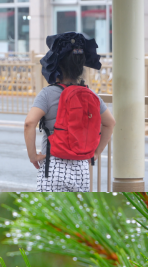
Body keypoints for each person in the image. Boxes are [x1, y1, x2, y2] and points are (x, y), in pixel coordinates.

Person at [24, 32, 116, 192]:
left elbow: (29, 123)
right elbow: (110, 123)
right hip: (82, 169)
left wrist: (33, 156)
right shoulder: (91, 95)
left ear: (55, 65)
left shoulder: (47, 94)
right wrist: (95, 153)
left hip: (53, 167)